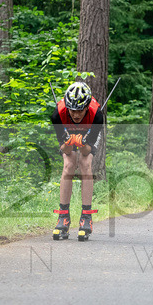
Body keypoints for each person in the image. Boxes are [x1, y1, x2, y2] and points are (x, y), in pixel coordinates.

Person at [51, 81, 105, 241]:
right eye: (72, 110)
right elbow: (66, 151)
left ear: (87, 106)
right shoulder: (58, 114)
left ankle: (86, 217)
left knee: (85, 163)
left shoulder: (97, 115)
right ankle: (63, 217)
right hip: (68, 131)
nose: (75, 114)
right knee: (68, 164)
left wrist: (82, 143)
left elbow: (87, 151)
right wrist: (69, 142)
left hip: (88, 131)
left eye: (80, 110)